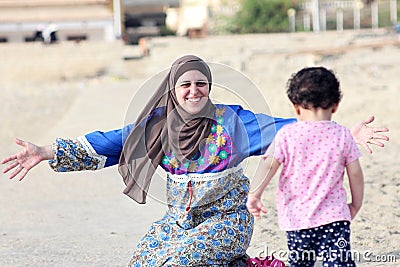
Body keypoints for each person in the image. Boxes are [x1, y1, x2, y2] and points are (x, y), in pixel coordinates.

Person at [1, 56, 388, 266]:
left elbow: (294, 127)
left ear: (209, 87)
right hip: (177, 222)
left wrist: (346, 134)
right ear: (173, 89)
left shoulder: (233, 122)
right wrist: (45, 151)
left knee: (178, 263)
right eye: (185, 84)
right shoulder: (156, 127)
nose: (193, 90)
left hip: (228, 222)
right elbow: (108, 143)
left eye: (200, 83)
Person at [246, 67, 366, 266]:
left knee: (301, 262)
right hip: (335, 218)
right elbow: (356, 174)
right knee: (339, 262)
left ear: (295, 106)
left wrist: (255, 195)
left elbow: (268, 164)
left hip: (297, 219)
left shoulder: (287, 134)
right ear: (336, 105)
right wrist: (356, 204)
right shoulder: (342, 135)